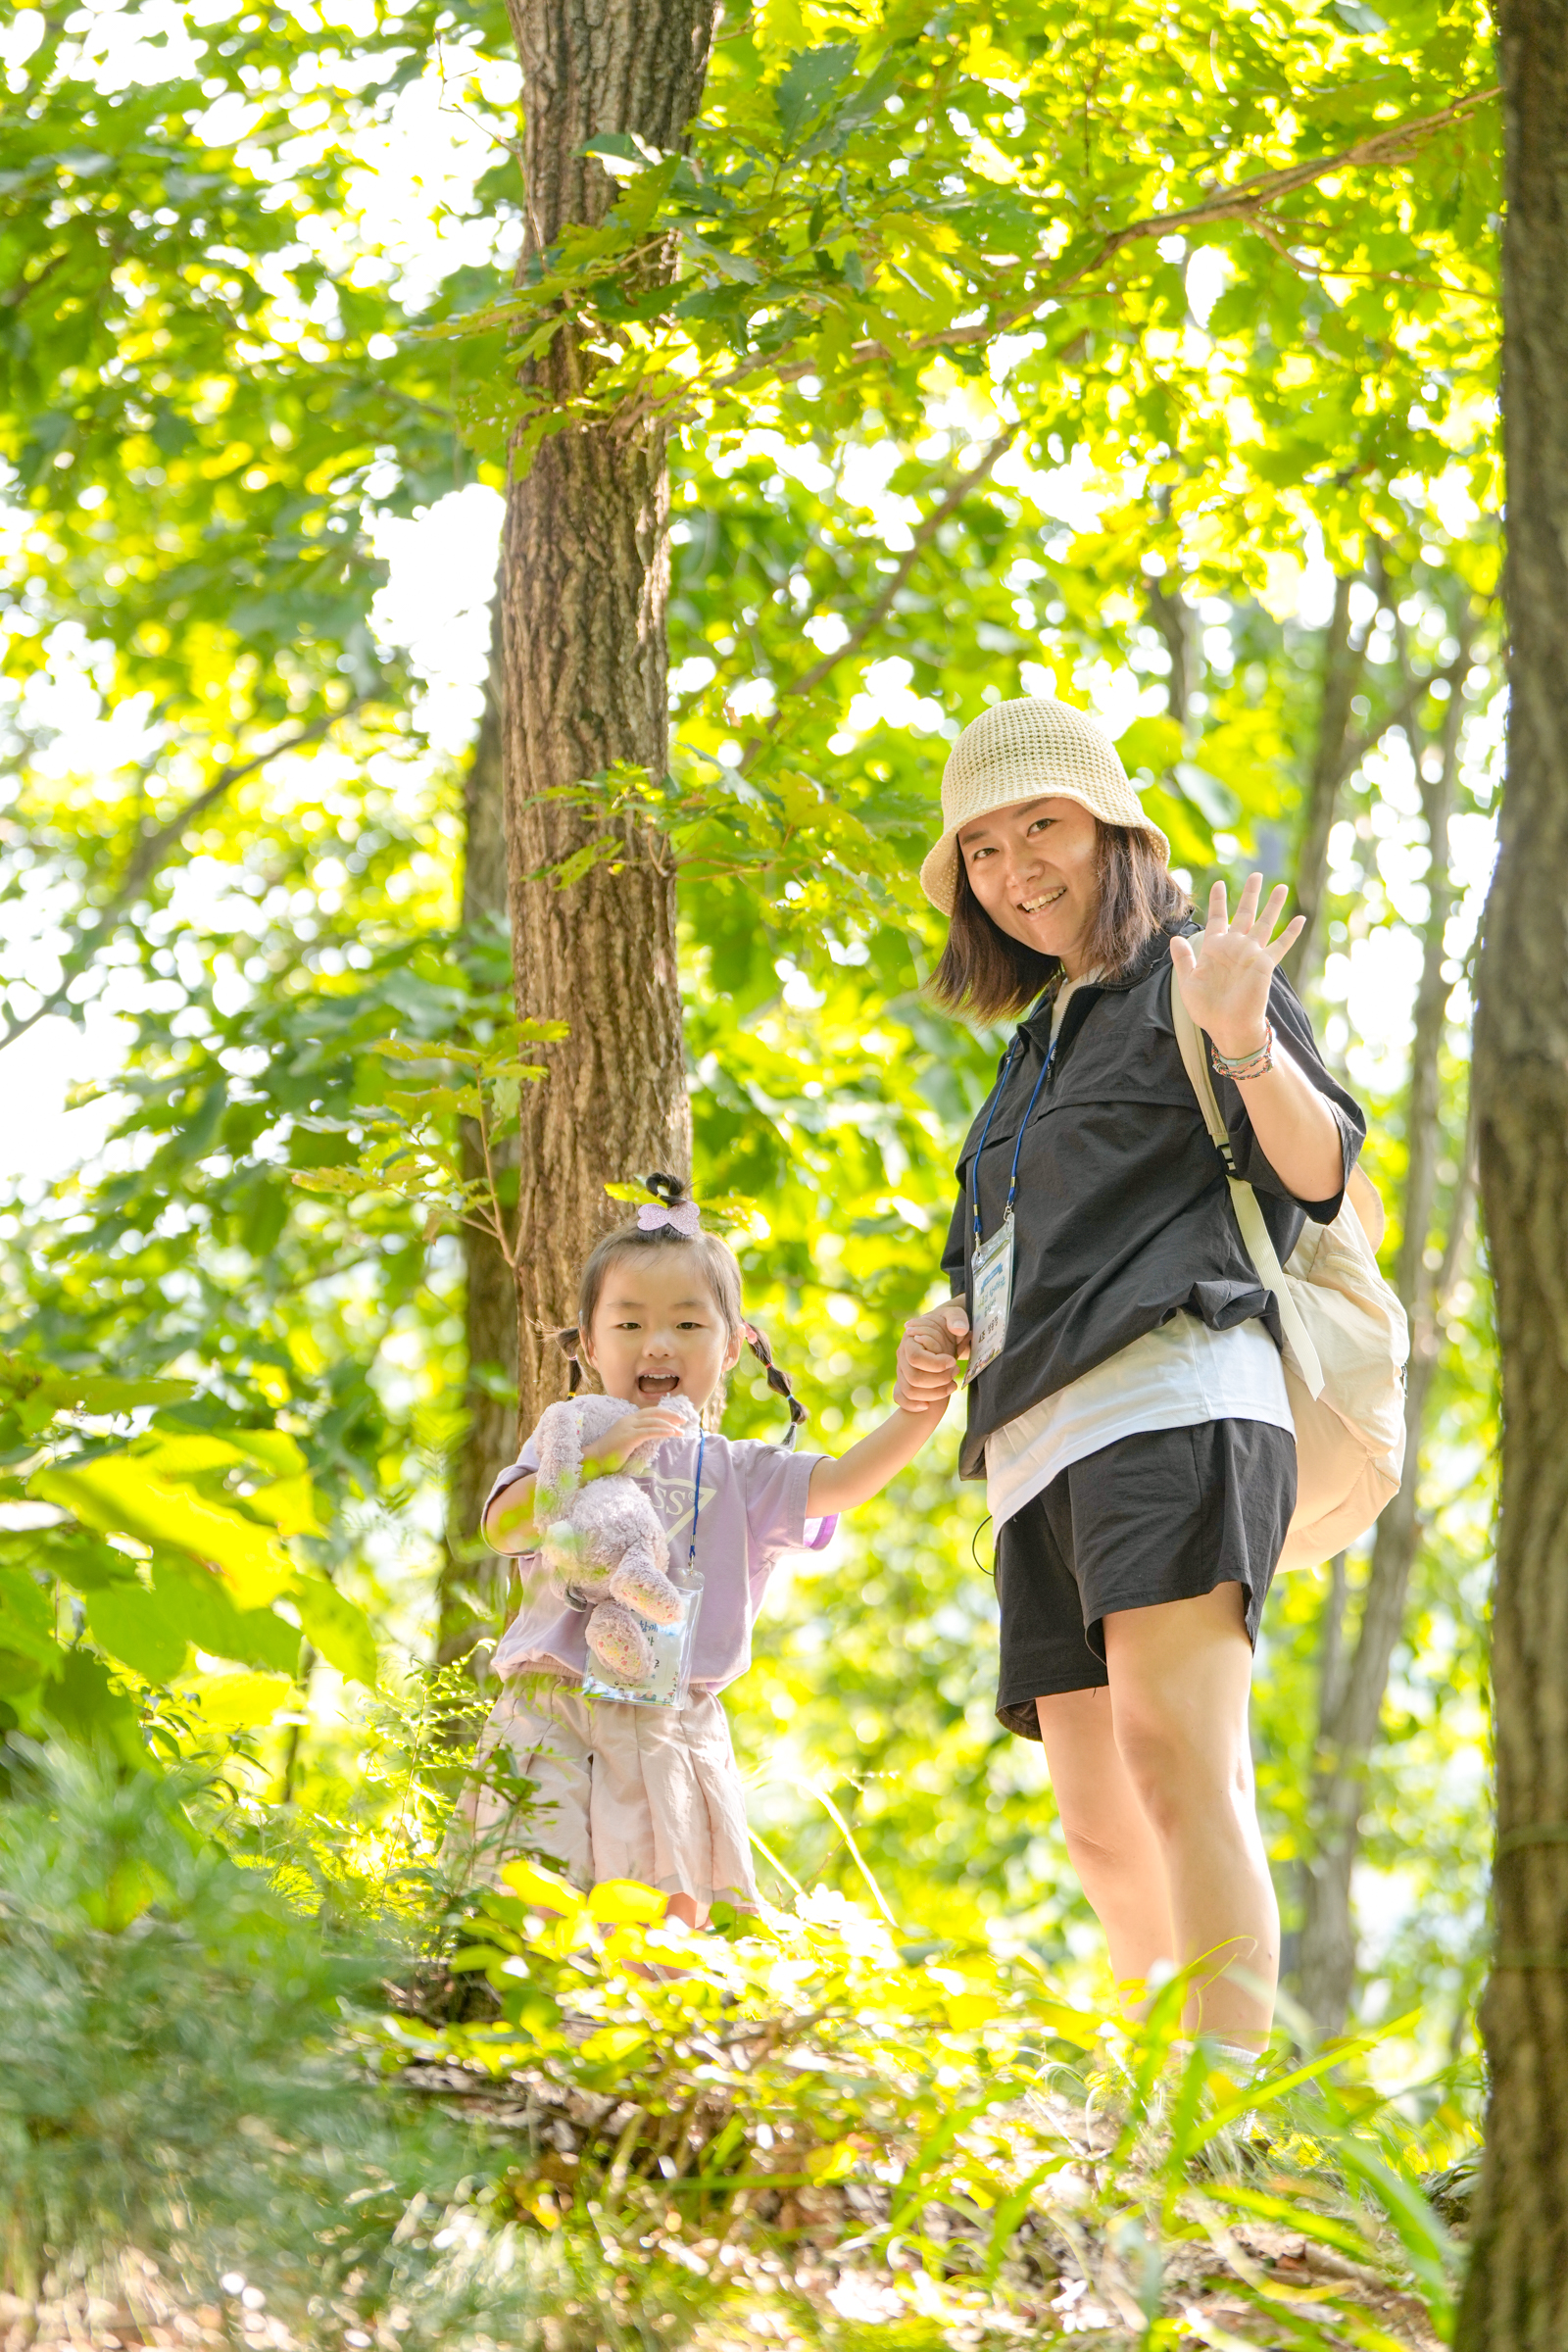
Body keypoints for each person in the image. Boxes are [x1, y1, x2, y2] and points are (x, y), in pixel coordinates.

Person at [894, 695, 1364, 2053]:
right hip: (1034, 1443)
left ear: (1113, 831)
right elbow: (999, 1255)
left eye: (1040, 826)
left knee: (1177, 1761)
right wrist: (944, 1323)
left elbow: (1318, 1173)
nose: (1015, 868)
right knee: (1099, 1826)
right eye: (982, 850)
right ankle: (1158, 2099)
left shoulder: (1196, 971)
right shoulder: (1030, 1047)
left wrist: (1244, 1036)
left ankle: (1222, 2116)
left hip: (1173, 1392)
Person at [460, 1179, 946, 1930]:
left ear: (734, 1346)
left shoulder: (741, 1471)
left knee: (661, 1921)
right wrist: (598, 1456)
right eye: (629, 1323)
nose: (657, 1343)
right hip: (550, 1710)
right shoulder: (565, 1438)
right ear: (589, 1343)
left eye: (687, 1323)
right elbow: (505, 1528)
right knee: (529, 1901)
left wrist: (923, 1410)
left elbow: (846, 1481)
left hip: (671, 1726)